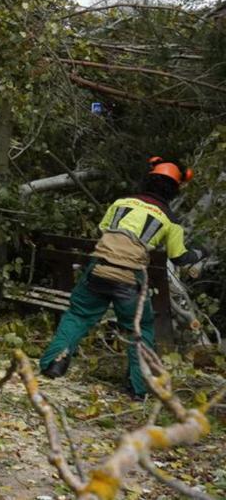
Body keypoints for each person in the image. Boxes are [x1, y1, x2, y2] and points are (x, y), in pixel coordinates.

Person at [39, 157, 207, 399]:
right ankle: (138, 389)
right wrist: (202, 252)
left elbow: (104, 229)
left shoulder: (120, 203)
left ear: (148, 181)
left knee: (78, 314)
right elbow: (179, 257)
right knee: (140, 329)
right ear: (174, 190)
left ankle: (55, 363)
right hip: (129, 278)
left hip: (99, 268)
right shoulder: (170, 220)